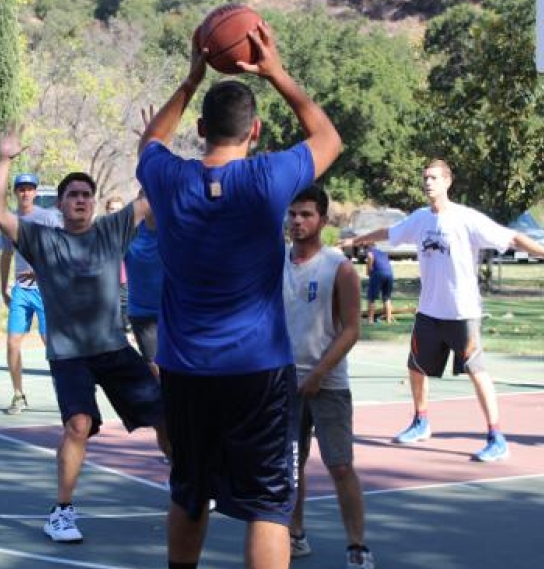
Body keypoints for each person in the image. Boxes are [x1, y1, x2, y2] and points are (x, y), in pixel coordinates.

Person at [136, 20, 342, 569]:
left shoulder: (168, 178)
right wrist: (275, 72)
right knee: (267, 506)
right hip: (257, 370)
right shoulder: (270, 177)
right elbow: (329, 139)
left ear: (200, 127)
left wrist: (189, 78)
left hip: (184, 368)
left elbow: (149, 141)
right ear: (253, 133)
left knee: (189, 489)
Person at [0, 132, 168, 544]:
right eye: (73, 195)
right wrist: (4, 161)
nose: (81, 200)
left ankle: (184, 482)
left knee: (166, 416)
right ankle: (62, 512)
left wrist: (152, 144)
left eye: (87, 194)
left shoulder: (112, 230)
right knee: (78, 425)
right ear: (60, 204)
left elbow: (153, 192)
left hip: (115, 349)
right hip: (70, 355)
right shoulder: (43, 239)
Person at [337, 159, 544, 462]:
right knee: (415, 368)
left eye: (434, 178)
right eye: (425, 177)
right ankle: (421, 421)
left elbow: (513, 238)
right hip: (429, 311)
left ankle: (496, 437)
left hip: (462, 312)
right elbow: (390, 232)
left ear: (448, 182)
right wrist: (357, 240)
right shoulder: (419, 218)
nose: (428, 183)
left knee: (476, 371)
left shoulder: (467, 219)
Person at [283, 187, 374, 569]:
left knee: (339, 465)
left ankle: (357, 546)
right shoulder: (275, 263)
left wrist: (319, 373)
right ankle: (295, 535)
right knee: (290, 466)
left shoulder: (339, 267)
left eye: (306, 214)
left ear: (321, 219)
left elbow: (351, 329)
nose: (298, 222)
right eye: (292, 214)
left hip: (328, 384)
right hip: (284, 383)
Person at [0, 172, 62, 415]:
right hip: (21, 292)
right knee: (12, 343)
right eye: (21, 188)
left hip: (46, 291)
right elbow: (6, 256)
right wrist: (3, 287)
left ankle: (65, 393)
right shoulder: (9, 221)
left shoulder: (47, 218)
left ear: (35, 192)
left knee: (51, 344)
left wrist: (43, 270)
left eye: (29, 188)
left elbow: (61, 250)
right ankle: (18, 395)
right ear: (15, 192)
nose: (25, 193)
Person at [124, 191, 162, 380]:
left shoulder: (175, 231)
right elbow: (99, 257)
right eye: (145, 199)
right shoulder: (129, 235)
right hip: (141, 312)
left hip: (174, 311)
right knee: (153, 363)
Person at [105, 196, 131, 333]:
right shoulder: (100, 229)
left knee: (126, 323)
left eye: (118, 209)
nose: (115, 212)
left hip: (124, 280)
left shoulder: (130, 229)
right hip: (105, 282)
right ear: (107, 211)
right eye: (112, 209)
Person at [364, 244, 395, 324]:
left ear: (368, 247)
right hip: (390, 274)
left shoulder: (370, 251)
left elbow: (370, 257)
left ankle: (370, 320)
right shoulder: (382, 252)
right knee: (387, 298)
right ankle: (388, 320)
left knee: (371, 298)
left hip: (378, 274)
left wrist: (368, 271)